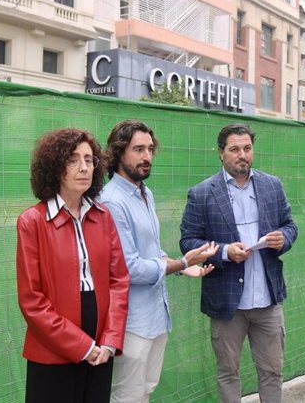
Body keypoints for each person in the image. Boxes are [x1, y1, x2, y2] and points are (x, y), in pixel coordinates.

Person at [98, 119, 219, 403]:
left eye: (150, 149)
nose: (147, 157)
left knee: (147, 389)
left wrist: (185, 267)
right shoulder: (112, 201)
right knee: (126, 395)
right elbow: (129, 268)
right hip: (130, 321)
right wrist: (180, 263)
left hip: (156, 315)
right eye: (138, 149)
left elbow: (150, 253)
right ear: (118, 153)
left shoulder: (144, 193)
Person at [180, 123, 298, 403]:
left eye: (247, 148)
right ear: (221, 153)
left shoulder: (272, 185)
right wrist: (223, 251)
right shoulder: (202, 193)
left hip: (267, 300)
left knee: (272, 372)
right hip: (226, 303)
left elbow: (290, 225)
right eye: (234, 149)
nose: (242, 155)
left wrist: (283, 238)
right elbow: (188, 241)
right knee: (228, 373)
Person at [16, 128, 130, 403]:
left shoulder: (103, 217)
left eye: (89, 160)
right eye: (73, 160)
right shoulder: (32, 221)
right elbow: (32, 300)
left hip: (101, 342)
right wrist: (82, 346)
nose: (84, 168)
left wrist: (109, 340)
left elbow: (119, 281)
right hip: (53, 346)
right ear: (55, 167)